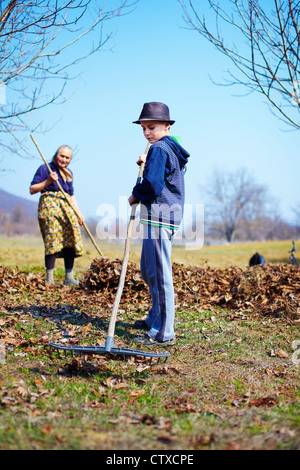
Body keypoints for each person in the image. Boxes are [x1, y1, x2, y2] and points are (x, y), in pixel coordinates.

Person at [129, 102, 190, 345]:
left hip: (160, 216)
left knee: (160, 273)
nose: (146, 133)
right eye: (143, 128)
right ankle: (154, 316)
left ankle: (164, 332)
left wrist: (136, 193)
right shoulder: (170, 148)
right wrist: (149, 161)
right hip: (166, 216)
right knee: (149, 270)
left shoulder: (160, 149)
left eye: (151, 127)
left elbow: (153, 186)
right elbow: (168, 175)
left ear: (166, 126)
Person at [30, 144, 84, 285]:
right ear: (56, 155)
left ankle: (69, 277)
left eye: (67, 157)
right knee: (53, 240)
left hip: (66, 207)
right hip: (50, 206)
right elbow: (32, 189)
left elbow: (71, 196)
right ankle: (49, 279)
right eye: (62, 156)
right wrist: (48, 181)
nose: (64, 159)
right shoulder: (45, 168)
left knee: (71, 238)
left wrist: (79, 214)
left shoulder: (69, 173)